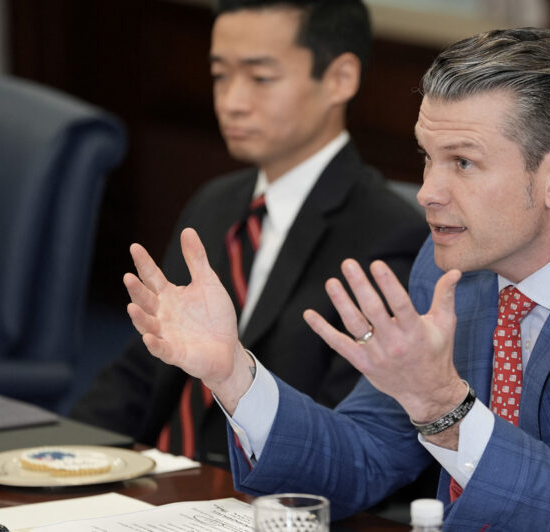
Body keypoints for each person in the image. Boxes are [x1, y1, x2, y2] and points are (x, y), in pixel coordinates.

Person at [122, 28, 550, 529]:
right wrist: (232, 373)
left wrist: (441, 404)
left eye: (462, 163)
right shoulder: (454, 270)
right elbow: (361, 460)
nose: (427, 192)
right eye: (427, 158)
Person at [71, 0, 426, 467]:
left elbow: (349, 434)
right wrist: (65, 458)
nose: (232, 101)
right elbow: (145, 368)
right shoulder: (216, 201)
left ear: (340, 78)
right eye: (220, 75)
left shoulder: (388, 235)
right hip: (156, 474)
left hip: (258, 486)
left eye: (260, 78)